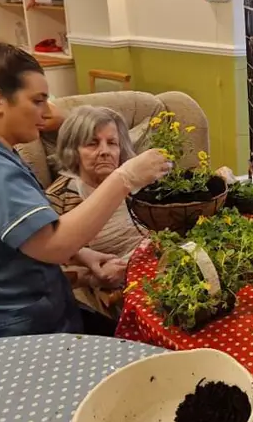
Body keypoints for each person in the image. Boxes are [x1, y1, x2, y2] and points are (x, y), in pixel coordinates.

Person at [0, 41, 171, 341]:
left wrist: (82, 257)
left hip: (46, 312)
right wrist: (125, 177)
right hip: (7, 332)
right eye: (38, 100)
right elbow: (53, 245)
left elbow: (24, 237)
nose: (47, 112)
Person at [45, 105, 235, 321]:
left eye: (112, 143)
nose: (105, 151)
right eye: (92, 143)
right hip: (127, 290)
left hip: (170, 263)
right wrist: (92, 278)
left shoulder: (140, 181)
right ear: (73, 150)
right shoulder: (59, 196)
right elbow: (50, 267)